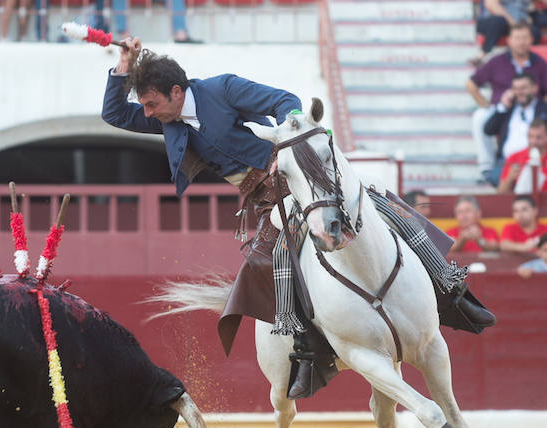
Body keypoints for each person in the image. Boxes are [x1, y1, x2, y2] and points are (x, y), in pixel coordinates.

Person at [101, 41, 495, 399]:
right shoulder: (166, 119)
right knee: (269, 263)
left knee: (386, 208)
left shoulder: (221, 89)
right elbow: (114, 113)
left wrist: (288, 145)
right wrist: (123, 65)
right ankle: (307, 349)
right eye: (145, 106)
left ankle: (450, 288)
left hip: (300, 178)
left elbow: (285, 102)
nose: (147, 113)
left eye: (151, 103)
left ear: (176, 92)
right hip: (265, 200)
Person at [466, 22, 547, 180]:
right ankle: (487, 167)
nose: (521, 42)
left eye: (525, 38)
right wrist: (487, 105)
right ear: (509, 40)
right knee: (480, 117)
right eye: (517, 38)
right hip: (502, 109)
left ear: (531, 40)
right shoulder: (497, 61)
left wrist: (540, 107)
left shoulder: (540, 63)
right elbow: (471, 83)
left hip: (532, 110)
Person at [482, 72, 547, 186]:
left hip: (535, 159)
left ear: (534, 88)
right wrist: (502, 107)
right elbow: (488, 130)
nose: (519, 92)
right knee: (496, 177)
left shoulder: (543, 109)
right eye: (515, 89)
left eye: (523, 88)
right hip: (507, 162)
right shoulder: (508, 109)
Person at [496, 117, 547, 192]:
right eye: (530, 136)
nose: (533, 141)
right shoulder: (514, 157)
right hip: (522, 198)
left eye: (538, 137)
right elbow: (500, 193)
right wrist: (510, 178)